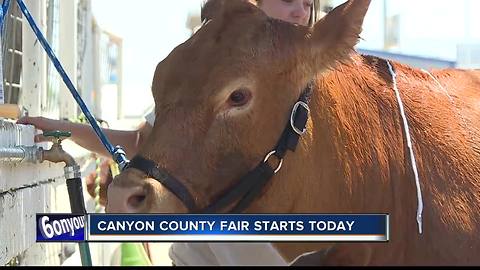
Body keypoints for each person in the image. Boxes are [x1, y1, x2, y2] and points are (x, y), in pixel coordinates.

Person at [18, 0, 324, 265]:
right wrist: (63, 130)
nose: (300, 12)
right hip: (203, 254)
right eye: (288, 0)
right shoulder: (205, 67)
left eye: (308, 5)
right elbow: (140, 142)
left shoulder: (325, 87)